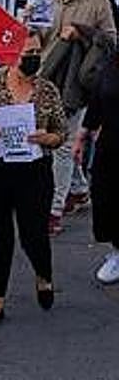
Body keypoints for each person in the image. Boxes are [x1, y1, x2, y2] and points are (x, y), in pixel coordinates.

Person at [0, 34, 65, 327]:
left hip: (34, 170)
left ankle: (43, 275)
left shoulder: (47, 90)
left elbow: (61, 131)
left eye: (36, 52)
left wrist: (50, 138)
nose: (32, 58)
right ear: (11, 55)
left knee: (34, 234)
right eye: (26, 53)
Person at [37, 0, 117, 234]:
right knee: (53, 144)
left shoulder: (98, 2)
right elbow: (33, 33)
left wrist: (83, 32)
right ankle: (80, 188)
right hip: (45, 78)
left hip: (77, 85)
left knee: (61, 145)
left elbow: (110, 40)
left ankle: (53, 210)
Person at [76, 31, 119, 284]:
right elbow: (98, 98)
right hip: (111, 146)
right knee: (107, 198)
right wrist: (83, 133)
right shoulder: (113, 62)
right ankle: (116, 251)